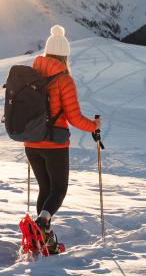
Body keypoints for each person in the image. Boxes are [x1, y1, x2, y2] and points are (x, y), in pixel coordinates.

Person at [24, 25, 100, 252]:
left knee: (45, 190)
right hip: (54, 145)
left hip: (31, 143)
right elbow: (74, 117)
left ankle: (42, 240)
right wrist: (94, 126)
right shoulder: (64, 80)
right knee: (58, 190)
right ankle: (43, 222)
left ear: (46, 53)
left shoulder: (31, 74)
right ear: (65, 55)